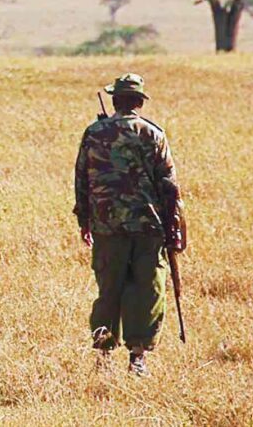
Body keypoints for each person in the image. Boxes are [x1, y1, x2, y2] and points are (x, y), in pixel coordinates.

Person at [74, 73, 185, 376]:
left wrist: (85, 220)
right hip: (148, 226)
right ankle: (138, 356)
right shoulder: (153, 134)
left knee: (109, 288)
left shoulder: (94, 132)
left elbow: (82, 179)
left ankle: (103, 355)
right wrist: (175, 227)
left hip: (106, 226)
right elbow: (169, 186)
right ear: (138, 102)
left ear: (114, 101)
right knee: (147, 290)